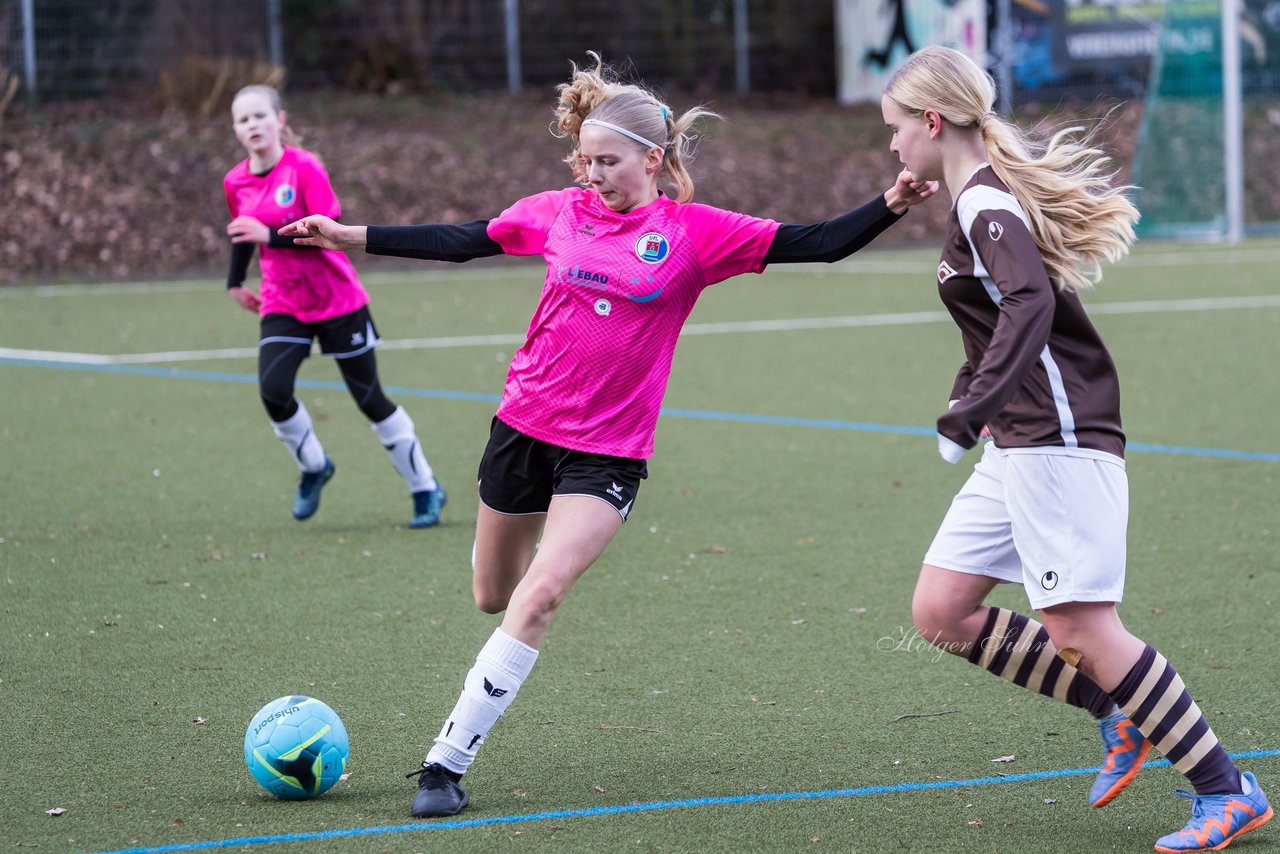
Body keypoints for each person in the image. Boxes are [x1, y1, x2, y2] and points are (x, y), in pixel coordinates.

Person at [281, 52, 936, 817]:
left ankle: (443, 767)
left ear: (652, 159)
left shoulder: (694, 234)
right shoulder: (556, 211)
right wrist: (347, 234)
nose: (594, 173)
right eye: (585, 160)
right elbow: (463, 238)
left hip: (608, 453)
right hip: (522, 428)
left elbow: (816, 241)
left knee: (541, 594)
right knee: (494, 593)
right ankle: (480, 684)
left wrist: (890, 201)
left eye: (609, 161)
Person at [881, 46, 1272, 853]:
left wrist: (971, 408)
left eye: (894, 130)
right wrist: (973, 395)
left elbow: (1027, 305)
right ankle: (1116, 713)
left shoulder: (986, 206)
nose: (890, 146)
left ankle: (1226, 789)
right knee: (941, 610)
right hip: (1019, 439)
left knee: (1083, 631)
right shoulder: (973, 201)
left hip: (1059, 434)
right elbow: (996, 320)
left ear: (929, 122)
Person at [224, 84, 447, 529]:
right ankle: (314, 466)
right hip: (283, 300)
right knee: (273, 390)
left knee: (369, 398)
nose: (252, 126)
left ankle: (425, 489)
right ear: (235, 129)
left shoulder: (304, 168)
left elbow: (328, 233)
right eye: (243, 119)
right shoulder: (235, 180)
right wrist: (235, 280)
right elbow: (242, 231)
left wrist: (270, 235)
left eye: (259, 116)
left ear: (280, 121)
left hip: (336, 300)